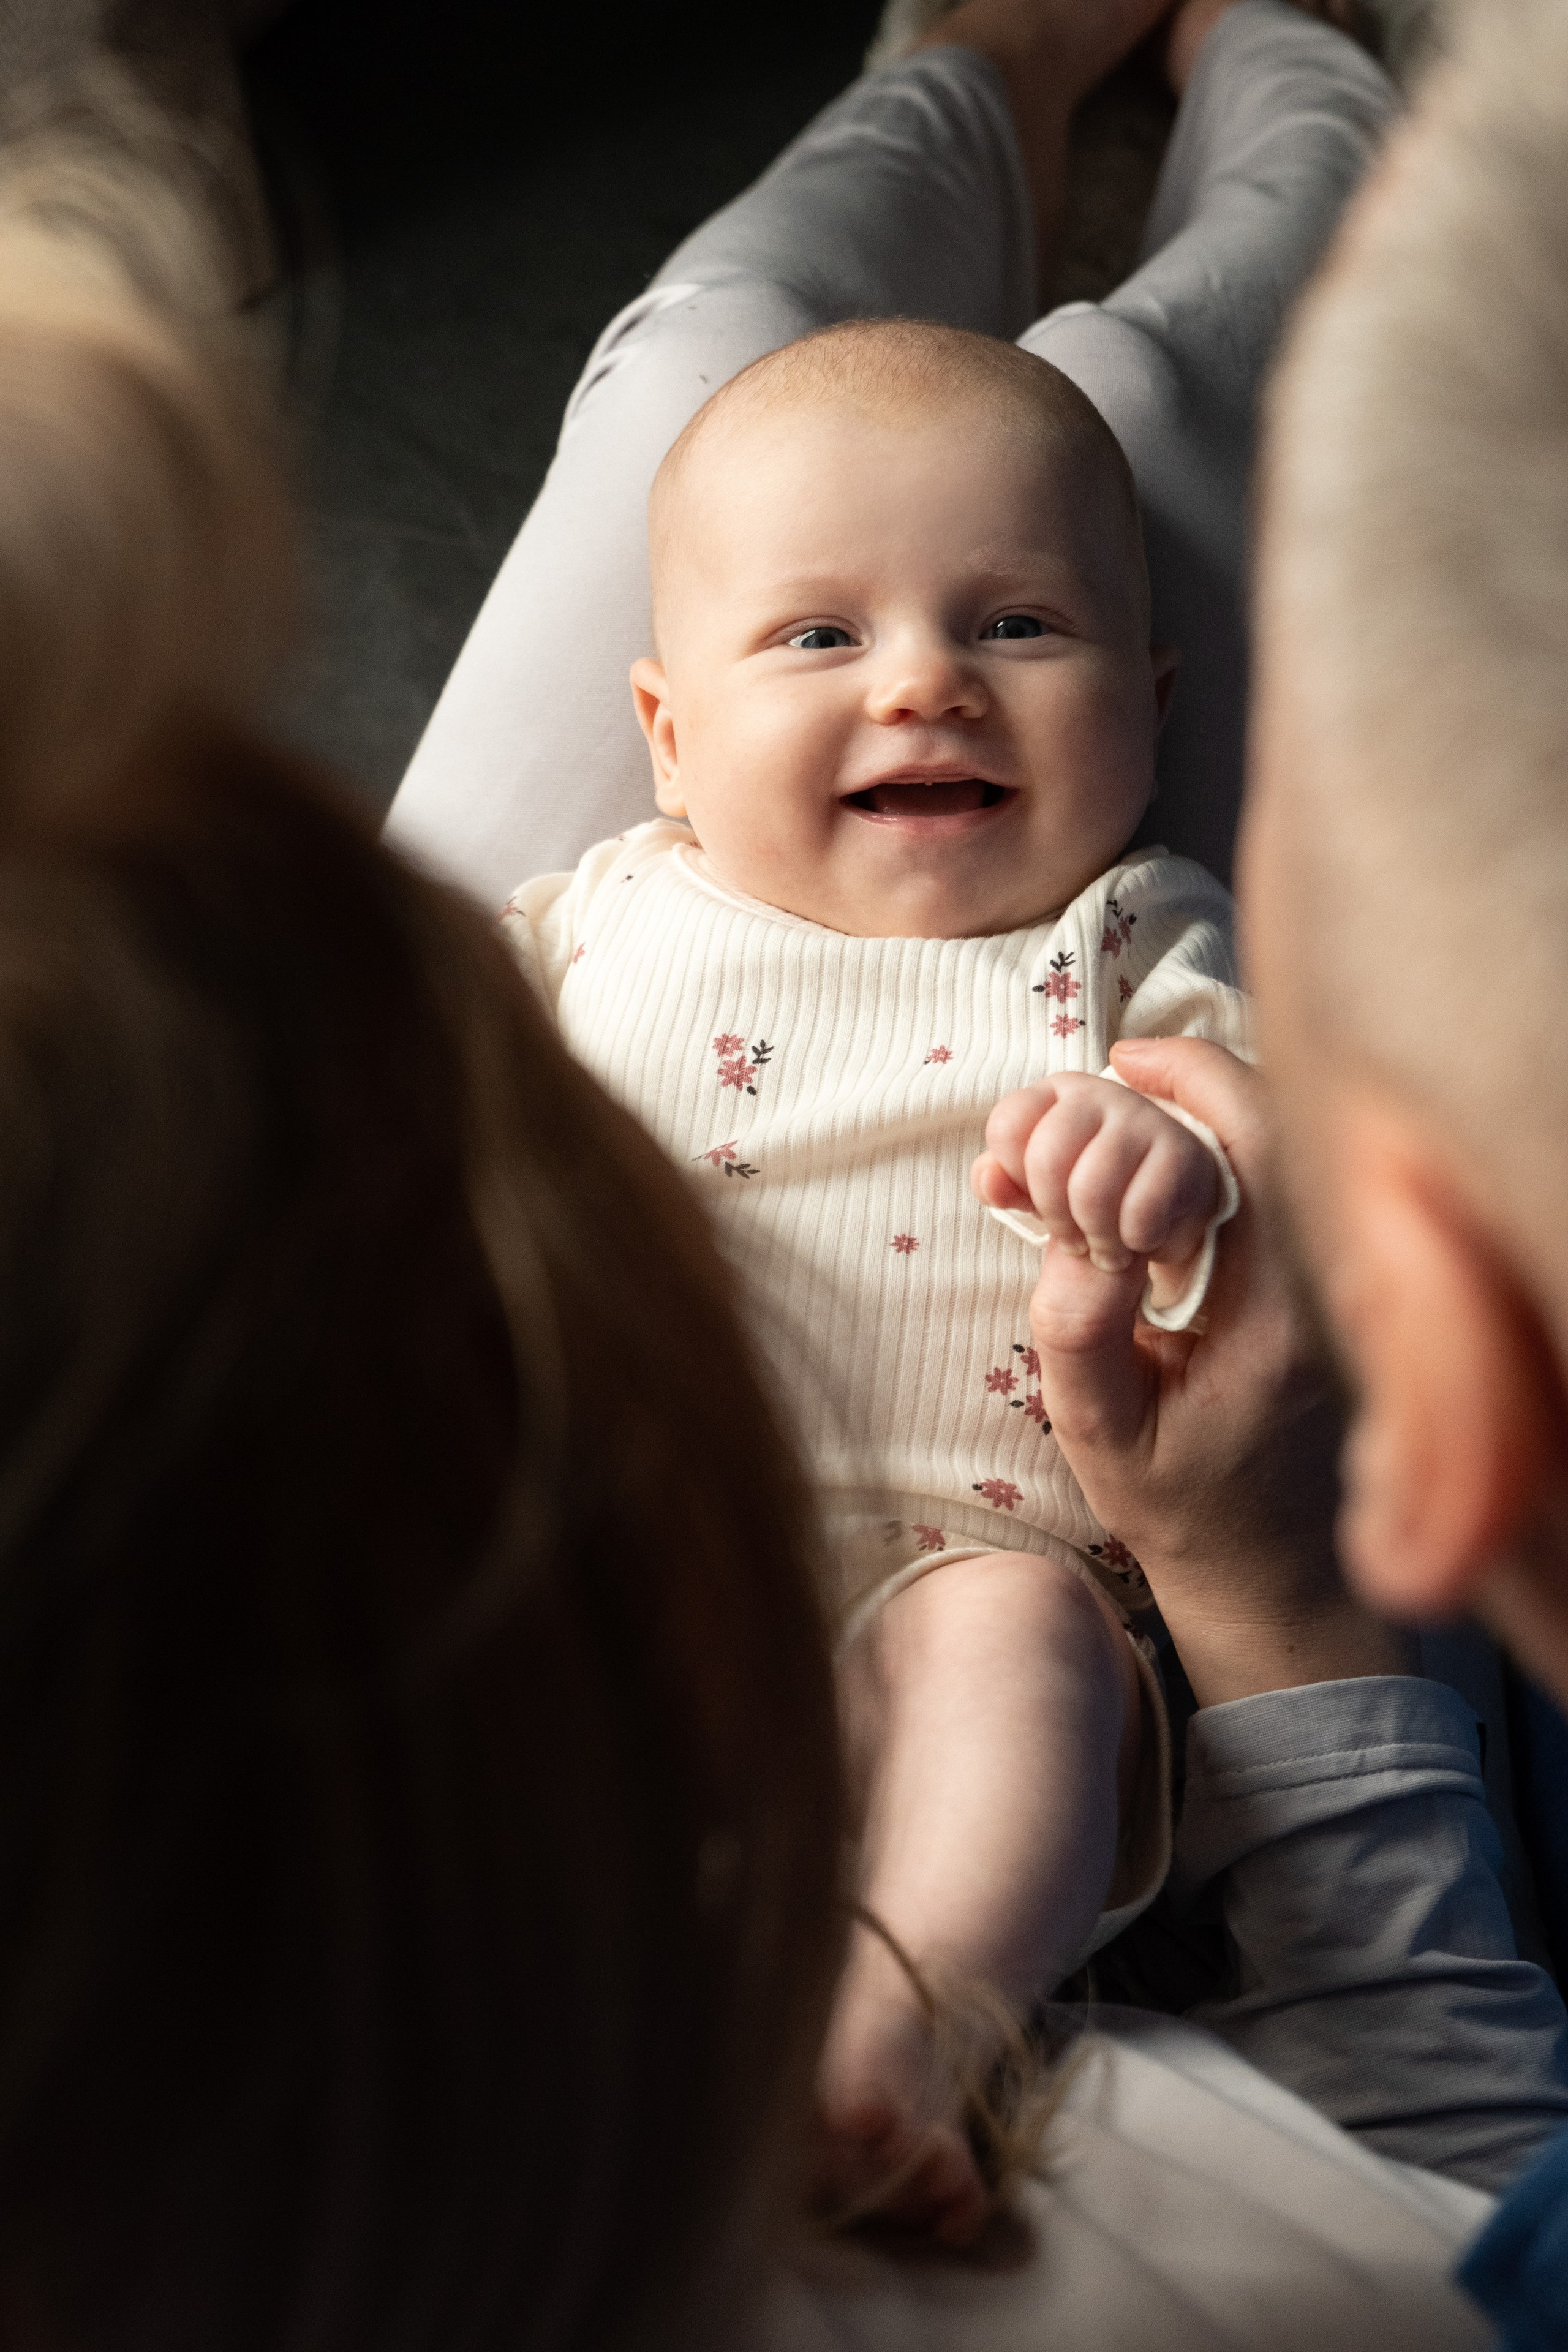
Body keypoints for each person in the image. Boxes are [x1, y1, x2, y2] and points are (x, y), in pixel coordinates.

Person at [502, 311, 1251, 2240]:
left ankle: (904, 2028)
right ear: (667, 735)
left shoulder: (1127, 932)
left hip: (962, 1560)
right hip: (618, 1527)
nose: (926, 684)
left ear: (1155, 707)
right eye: (820, 636)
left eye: (1016, 625)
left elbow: (1272, 1137)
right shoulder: (611, 906)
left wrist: (1186, 1154)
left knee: (1021, 1639)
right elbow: (398, 1042)